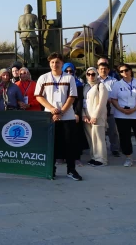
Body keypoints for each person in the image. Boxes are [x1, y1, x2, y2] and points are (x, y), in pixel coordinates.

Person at [34, 53, 82, 181]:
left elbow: (72, 97)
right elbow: (39, 96)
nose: (55, 65)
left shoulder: (69, 78)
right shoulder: (43, 78)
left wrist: (61, 112)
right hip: (50, 117)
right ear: (49, 64)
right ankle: (51, 170)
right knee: (52, 145)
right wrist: (52, 110)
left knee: (69, 145)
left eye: (57, 62)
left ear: (62, 63)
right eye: (52, 62)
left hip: (68, 117)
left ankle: (71, 170)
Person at [110, 63, 136, 167]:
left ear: (130, 70)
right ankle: (128, 157)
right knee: (125, 137)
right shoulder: (117, 84)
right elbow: (113, 99)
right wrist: (121, 109)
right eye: (121, 71)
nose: (124, 73)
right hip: (121, 115)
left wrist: (135, 108)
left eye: (126, 70)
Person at [82, 67, 109, 167]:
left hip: (97, 116)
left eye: (93, 74)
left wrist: (95, 116)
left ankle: (102, 159)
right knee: (91, 138)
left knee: (99, 138)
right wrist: (83, 115)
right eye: (88, 74)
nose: (91, 76)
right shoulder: (86, 86)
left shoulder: (101, 86)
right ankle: (94, 157)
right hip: (87, 116)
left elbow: (102, 103)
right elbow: (83, 102)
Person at [63, 63, 87, 166]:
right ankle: (61, 156)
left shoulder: (78, 84)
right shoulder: (60, 83)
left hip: (73, 113)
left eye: (71, 71)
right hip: (62, 112)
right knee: (63, 135)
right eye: (66, 71)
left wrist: (77, 113)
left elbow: (79, 100)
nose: (69, 73)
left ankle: (76, 157)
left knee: (75, 136)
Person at [97, 61, 121, 158]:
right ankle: (101, 150)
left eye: (105, 69)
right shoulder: (94, 80)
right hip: (98, 110)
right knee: (99, 131)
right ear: (98, 70)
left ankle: (115, 149)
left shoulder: (114, 81)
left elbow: (117, 94)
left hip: (111, 109)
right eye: (101, 69)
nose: (103, 71)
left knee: (113, 131)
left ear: (108, 70)